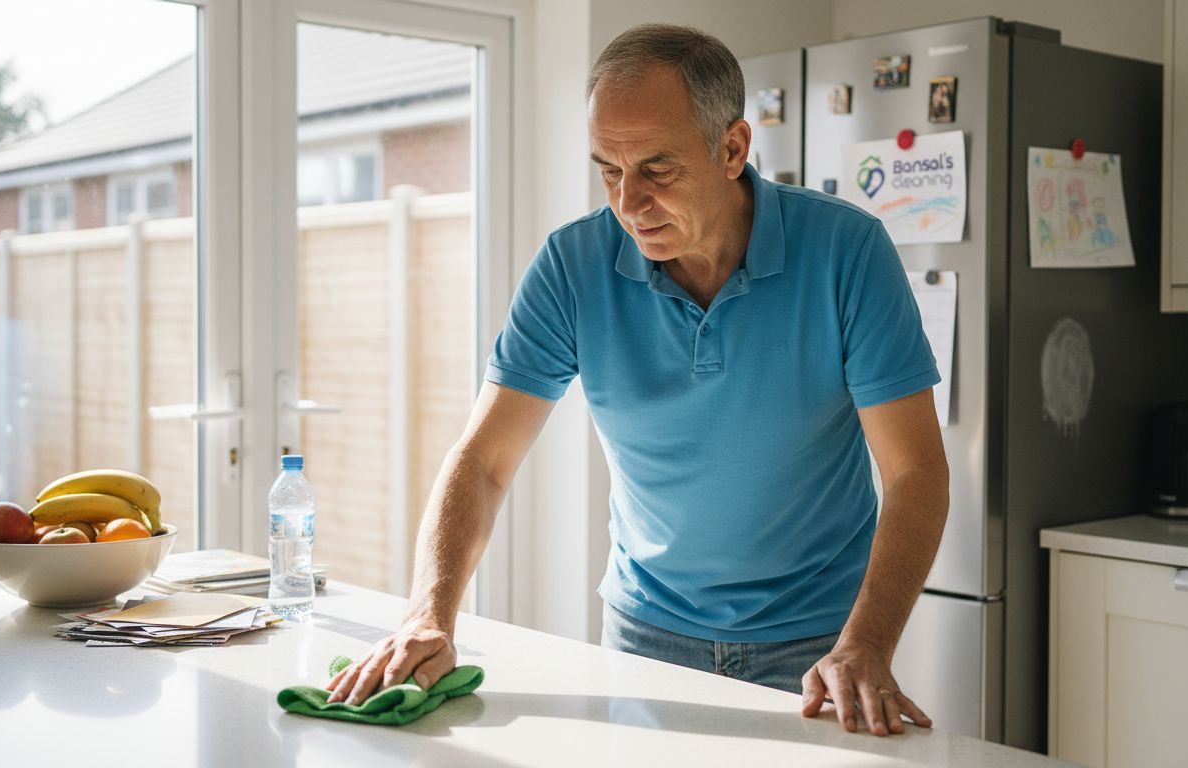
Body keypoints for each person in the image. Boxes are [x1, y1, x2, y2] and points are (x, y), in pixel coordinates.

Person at [326, 23, 949, 738]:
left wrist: (866, 642)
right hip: (645, 637)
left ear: (733, 148)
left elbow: (916, 473)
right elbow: (484, 460)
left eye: (658, 170)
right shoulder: (572, 265)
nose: (629, 202)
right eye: (608, 171)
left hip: (823, 646)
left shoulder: (847, 251)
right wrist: (426, 616)